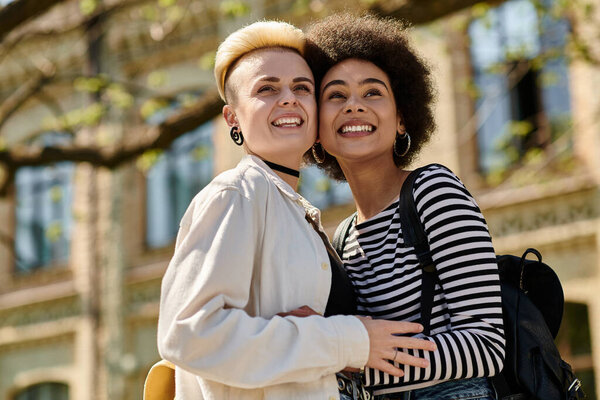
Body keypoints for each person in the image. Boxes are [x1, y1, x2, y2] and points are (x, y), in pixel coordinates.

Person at [157, 20, 436, 400]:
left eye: (301, 88)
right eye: (266, 89)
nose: (288, 99)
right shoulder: (235, 195)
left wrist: (335, 342)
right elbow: (189, 334)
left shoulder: (297, 214)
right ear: (232, 118)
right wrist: (349, 340)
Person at [304, 14, 506, 400]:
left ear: (401, 118)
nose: (354, 106)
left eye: (372, 93)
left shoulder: (434, 191)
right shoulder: (342, 238)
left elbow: (486, 345)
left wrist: (357, 364)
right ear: (317, 128)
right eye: (336, 95)